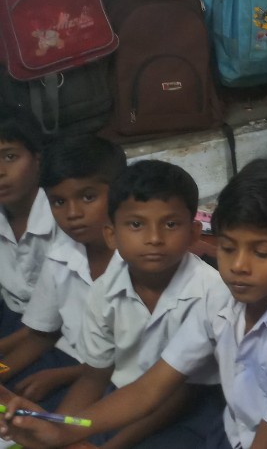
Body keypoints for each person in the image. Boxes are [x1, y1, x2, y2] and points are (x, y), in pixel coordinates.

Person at [1, 160, 267, 449]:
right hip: (232, 431)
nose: (238, 266)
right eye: (228, 248)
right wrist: (61, 429)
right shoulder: (222, 298)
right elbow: (149, 389)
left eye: (261, 253)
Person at [67, 159, 231, 448]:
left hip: (194, 408)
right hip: (123, 398)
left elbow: (185, 394)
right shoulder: (104, 290)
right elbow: (94, 377)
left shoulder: (212, 293)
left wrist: (113, 446)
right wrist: (59, 429)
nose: (154, 238)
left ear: (193, 233)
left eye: (170, 224)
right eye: (136, 224)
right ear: (111, 235)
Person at [0, 136, 124, 411]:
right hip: (69, 362)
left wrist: (63, 376)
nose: (73, 213)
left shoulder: (139, 264)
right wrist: (1, 371)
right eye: (58, 202)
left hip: (116, 379)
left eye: (88, 197)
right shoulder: (60, 256)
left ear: (119, 192)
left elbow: (135, 360)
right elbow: (39, 336)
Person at [0, 106, 53, 344]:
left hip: (57, 332)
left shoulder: (65, 219)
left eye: (10, 157)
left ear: (37, 159)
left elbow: (53, 320)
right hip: (10, 319)